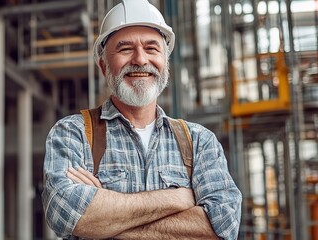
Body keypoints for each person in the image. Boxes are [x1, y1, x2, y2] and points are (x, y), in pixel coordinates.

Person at [42, 0, 242, 239]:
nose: (140, 59)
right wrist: (179, 198)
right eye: (125, 49)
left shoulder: (199, 141)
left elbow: (223, 224)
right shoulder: (73, 133)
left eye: (151, 48)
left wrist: (106, 221)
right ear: (104, 66)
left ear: (165, 63)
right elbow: (67, 214)